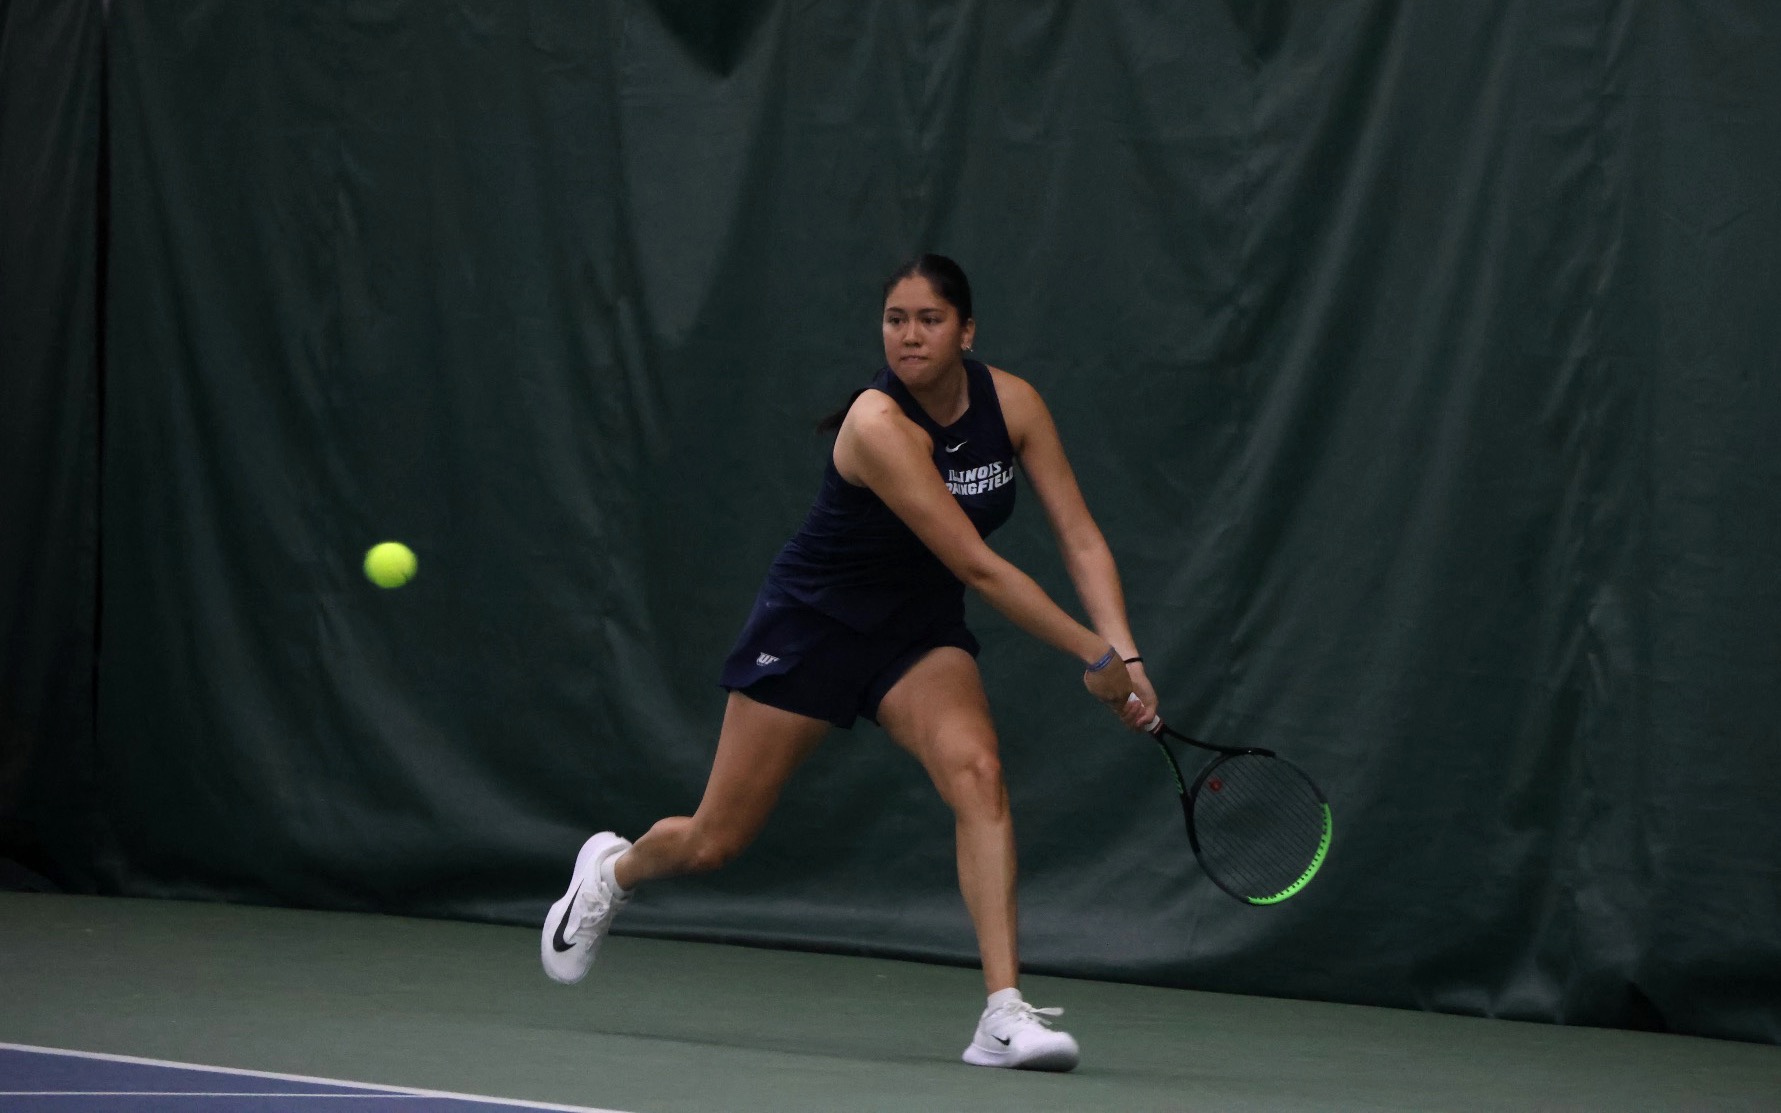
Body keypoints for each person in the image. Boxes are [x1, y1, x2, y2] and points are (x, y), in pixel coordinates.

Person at [541, 254, 1158, 1072]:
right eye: (895, 319)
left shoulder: (1013, 406)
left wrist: (1128, 652)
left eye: (929, 320)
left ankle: (1001, 1015)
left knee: (977, 771)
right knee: (715, 840)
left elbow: (1079, 536)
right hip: (812, 628)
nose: (909, 335)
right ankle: (611, 872)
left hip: (915, 633)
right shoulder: (874, 425)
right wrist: (1090, 650)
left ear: (965, 330)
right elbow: (977, 564)